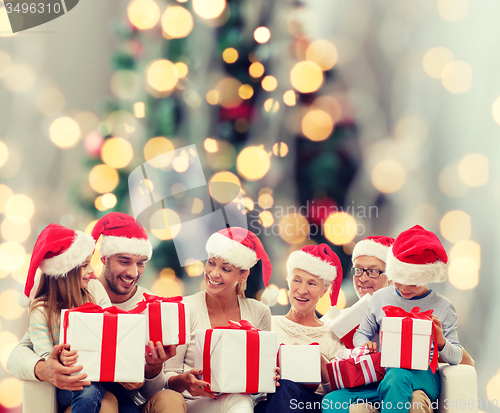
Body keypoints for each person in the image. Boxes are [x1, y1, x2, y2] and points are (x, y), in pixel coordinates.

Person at [8, 212, 185, 413]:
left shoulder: (152, 308)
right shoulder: (51, 305)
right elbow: (18, 354)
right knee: (102, 400)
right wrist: (46, 366)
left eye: (141, 263)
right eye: (125, 261)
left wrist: (149, 370)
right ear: (104, 258)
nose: (134, 273)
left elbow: (149, 389)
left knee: (146, 401)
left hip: (119, 390)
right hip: (81, 388)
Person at [323, 225, 463, 413]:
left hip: (423, 376)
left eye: (413, 283)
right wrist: (364, 345)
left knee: (397, 376)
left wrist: (441, 342)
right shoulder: (381, 298)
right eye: (398, 279)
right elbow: (360, 334)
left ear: (427, 276)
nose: (404, 288)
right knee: (332, 401)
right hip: (382, 375)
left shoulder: (444, 306)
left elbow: (457, 358)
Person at [160, 227, 275, 413]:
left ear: (243, 274)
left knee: (240, 399)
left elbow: (261, 389)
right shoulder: (184, 308)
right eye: (211, 263)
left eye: (226, 269)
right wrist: (184, 381)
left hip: (240, 402)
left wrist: (268, 376)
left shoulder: (259, 312)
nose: (213, 273)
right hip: (190, 403)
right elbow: (166, 377)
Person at [22, 224, 111, 413]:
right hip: (69, 382)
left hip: (103, 374)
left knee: (128, 406)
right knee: (87, 390)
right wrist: (59, 358)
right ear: (66, 273)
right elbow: (46, 356)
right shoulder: (41, 309)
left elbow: (112, 328)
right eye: (84, 265)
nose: (91, 270)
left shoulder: (94, 290)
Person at [255, 244, 346, 413]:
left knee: (286, 386)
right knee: (278, 391)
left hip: (312, 406)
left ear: (325, 290)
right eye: (297, 280)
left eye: (312, 283)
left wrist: (319, 363)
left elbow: (339, 398)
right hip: (270, 403)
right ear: (289, 282)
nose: (302, 290)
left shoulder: (332, 336)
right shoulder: (267, 326)